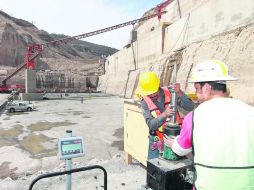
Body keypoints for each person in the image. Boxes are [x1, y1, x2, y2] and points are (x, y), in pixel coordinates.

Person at [163, 60, 254, 190]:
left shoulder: (194, 117)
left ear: (207, 88)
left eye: (196, 89)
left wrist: (173, 143)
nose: (195, 94)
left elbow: (181, 149)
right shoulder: (250, 112)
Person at [138, 71, 195, 159]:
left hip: (175, 136)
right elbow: (151, 125)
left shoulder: (171, 92)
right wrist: (165, 114)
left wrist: (179, 92)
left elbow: (190, 106)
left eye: (154, 91)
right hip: (157, 140)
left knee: (178, 167)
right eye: (150, 93)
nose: (153, 95)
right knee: (154, 169)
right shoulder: (144, 102)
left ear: (158, 85)